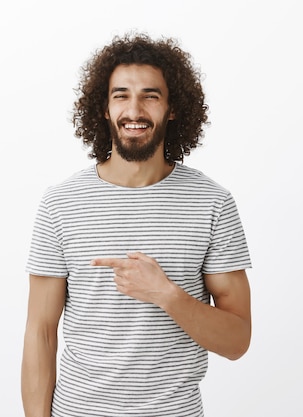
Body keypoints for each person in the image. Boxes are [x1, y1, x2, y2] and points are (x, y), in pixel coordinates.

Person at [21, 32, 252, 417]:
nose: (134, 110)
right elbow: (40, 334)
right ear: (104, 109)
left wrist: (167, 295)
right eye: (120, 95)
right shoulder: (60, 204)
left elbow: (237, 341)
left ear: (172, 108)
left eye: (150, 95)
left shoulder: (212, 203)